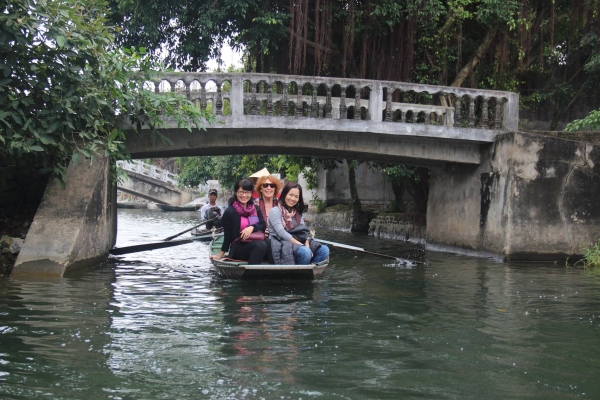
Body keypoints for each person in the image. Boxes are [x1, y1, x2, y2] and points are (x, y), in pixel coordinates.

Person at [268, 182, 330, 265]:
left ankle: (310, 269)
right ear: (285, 194)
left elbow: (303, 231)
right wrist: (302, 245)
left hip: (298, 240)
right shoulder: (275, 211)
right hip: (281, 242)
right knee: (305, 252)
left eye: (296, 196)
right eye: (291, 195)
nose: (293, 199)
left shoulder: (297, 212)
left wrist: (307, 244)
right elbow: (281, 233)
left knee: (324, 250)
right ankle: (299, 274)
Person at [210, 179, 268, 264]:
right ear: (236, 193)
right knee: (260, 245)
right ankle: (251, 273)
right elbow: (227, 237)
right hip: (238, 247)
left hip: (255, 240)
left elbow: (263, 226)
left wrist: (252, 227)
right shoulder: (230, 212)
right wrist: (220, 255)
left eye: (247, 192)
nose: (244, 195)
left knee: (270, 244)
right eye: (241, 192)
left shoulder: (255, 208)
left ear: (251, 193)